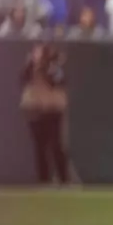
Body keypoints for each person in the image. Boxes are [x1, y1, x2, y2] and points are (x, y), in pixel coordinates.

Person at [20, 43, 69, 184]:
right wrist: (32, 64)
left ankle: (63, 178)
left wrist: (48, 66)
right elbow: (22, 79)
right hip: (35, 109)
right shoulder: (30, 67)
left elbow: (55, 81)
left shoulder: (56, 68)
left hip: (53, 110)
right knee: (39, 147)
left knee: (56, 146)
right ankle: (43, 179)